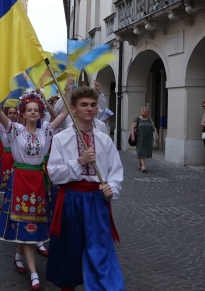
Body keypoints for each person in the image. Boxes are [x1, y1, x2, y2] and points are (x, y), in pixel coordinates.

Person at [45, 86, 125, 291]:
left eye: (92, 105)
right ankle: (67, 286)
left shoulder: (104, 140)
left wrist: (112, 189)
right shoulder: (61, 139)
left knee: (100, 249)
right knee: (68, 248)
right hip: (70, 199)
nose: (89, 109)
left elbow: (115, 171)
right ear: (73, 109)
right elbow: (54, 174)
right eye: (84, 105)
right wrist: (79, 162)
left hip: (96, 199)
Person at [0, 90, 69, 291]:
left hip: (38, 180)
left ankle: (19, 255)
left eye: (37, 110)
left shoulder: (46, 129)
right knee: (25, 221)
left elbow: (63, 114)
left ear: (40, 112)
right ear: (23, 112)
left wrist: (68, 90)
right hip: (20, 180)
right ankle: (34, 273)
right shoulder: (15, 130)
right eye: (30, 110)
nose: (33, 113)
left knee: (31, 222)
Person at [130, 106, 159, 173]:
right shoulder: (137, 119)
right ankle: (143, 166)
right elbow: (132, 127)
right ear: (141, 111)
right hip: (140, 137)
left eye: (145, 110)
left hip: (148, 138)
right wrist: (132, 136)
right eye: (143, 110)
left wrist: (157, 136)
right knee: (141, 151)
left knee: (143, 152)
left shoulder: (151, 120)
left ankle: (140, 164)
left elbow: (154, 128)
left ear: (148, 112)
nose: (144, 111)